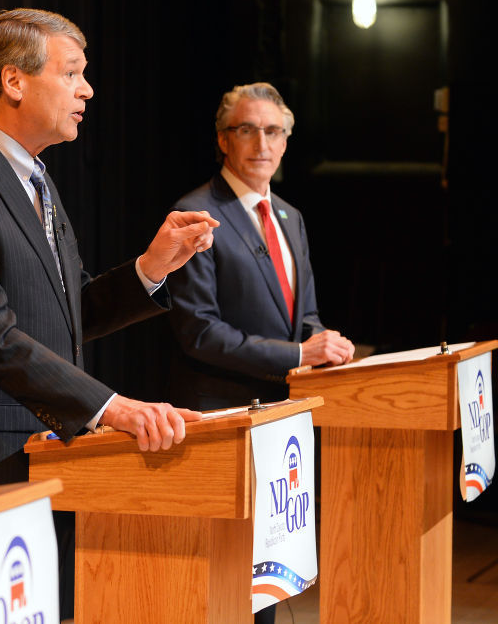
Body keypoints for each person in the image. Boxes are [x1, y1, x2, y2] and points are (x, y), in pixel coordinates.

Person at [0, 8, 217, 615]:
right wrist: (113, 407)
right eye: (71, 74)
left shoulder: (35, 178)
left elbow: (67, 315)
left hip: (47, 456)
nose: (86, 90)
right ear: (14, 81)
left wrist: (151, 268)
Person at [165, 82, 354, 624]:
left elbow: (305, 315)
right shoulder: (196, 213)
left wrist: (326, 344)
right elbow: (199, 332)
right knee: (225, 586)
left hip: (279, 422)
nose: (262, 143)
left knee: (266, 581)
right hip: (221, 417)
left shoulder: (290, 216)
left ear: (287, 141)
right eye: (246, 129)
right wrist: (298, 352)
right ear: (223, 140)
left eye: (273, 131)